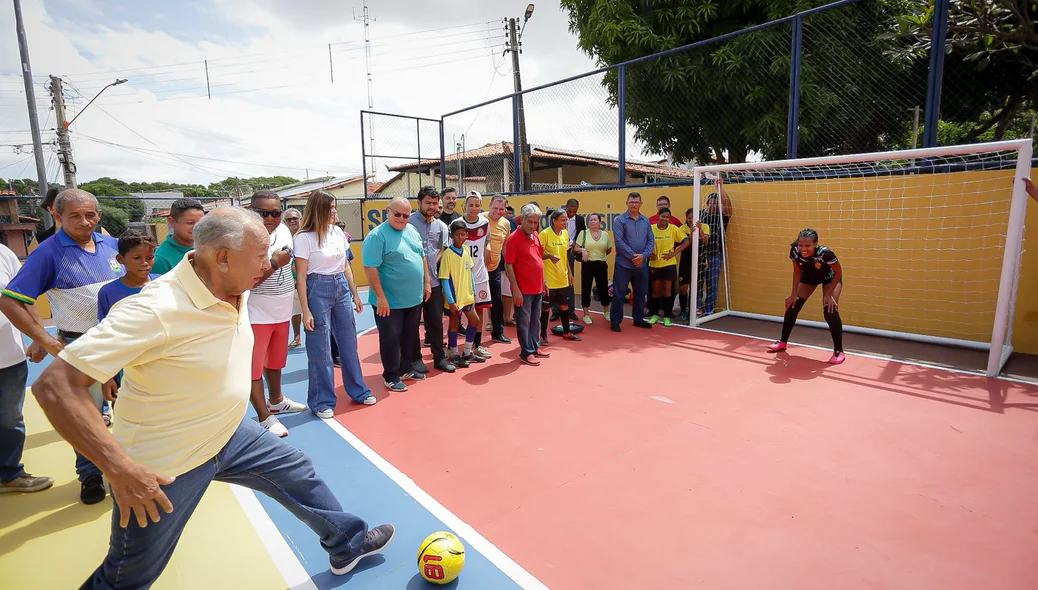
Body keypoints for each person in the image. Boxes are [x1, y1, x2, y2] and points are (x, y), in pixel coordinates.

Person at [31, 207, 395, 588]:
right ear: (222, 257)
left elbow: (263, 269)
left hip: (229, 431)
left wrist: (270, 263)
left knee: (298, 473)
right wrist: (121, 470)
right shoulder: (155, 308)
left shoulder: (231, 281)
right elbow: (54, 387)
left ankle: (347, 543)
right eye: (259, 255)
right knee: (130, 573)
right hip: (165, 463)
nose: (266, 263)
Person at [0, 188, 122, 504]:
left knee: (131, 410)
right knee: (88, 416)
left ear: (99, 216)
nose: (84, 221)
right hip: (83, 346)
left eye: (90, 215)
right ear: (57, 216)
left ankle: (130, 468)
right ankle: (91, 474)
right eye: (75, 216)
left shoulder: (112, 246)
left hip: (125, 342)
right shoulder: (49, 252)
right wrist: (45, 340)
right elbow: (11, 300)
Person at [296, 190, 374, 413]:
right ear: (318, 209)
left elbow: (346, 266)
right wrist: (305, 310)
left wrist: (355, 294)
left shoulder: (338, 233)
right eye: (330, 208)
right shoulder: (304, 238)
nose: (334, 211)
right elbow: (301, 276)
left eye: (334, 207)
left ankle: (359, 390)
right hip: (316, 289)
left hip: (340, 288)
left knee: (349, 344)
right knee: (320, 348)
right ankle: (322, 402)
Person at [247, 191, 308, 437]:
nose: (271, 218)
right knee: (252, 369)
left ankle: (276, 400)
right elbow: (245, 282)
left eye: (275, 212)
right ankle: (264, 416)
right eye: (264, 213)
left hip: (281, 309)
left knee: (275, 361)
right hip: (255, 313)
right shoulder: (245, 237)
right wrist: (273, 263)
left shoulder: (283, 230)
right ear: (251, 211)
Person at [0, 242, 53, 494]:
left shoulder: (3, 253)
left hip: (7, 355)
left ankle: (9, 474)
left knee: (10, 420)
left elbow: (25, 297)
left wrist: (40, 337)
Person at [362, 197, 430, 392]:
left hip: (413, 299)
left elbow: (421, 256)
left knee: (410, 336)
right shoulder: (377, 236)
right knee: (390, 339)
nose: (402, 218)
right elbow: (370, 268)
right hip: (389, 302)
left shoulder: (412, 230)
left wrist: (426, 282)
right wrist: (381, 297)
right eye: (397, 214)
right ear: (388, 211)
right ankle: (391, 375)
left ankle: (405, 368)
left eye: (406, 215)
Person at [96, 230, 160, 416]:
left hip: (161, 364)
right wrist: (106, 377)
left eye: (149, 257)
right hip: (127, 368)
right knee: (129, 415)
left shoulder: (164, 283)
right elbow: (106, 338)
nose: (145, 262)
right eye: (137, 258)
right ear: (120, 259)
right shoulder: (109, 292)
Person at [767, 228, 845, 364]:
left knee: (830, 310)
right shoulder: (795, 252)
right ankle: (782, 342)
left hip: (830, 279)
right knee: (792, 305)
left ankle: (839, 351)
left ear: (815, 244)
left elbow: (838, 272)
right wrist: (793, 294)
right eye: (800, 244)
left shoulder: (826, 253)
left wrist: (828, 294)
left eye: (807, 245)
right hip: (809, 279)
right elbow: (797, 272)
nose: (803, 248)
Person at [408, 186, 455, 373]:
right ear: (419, 203)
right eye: (428, 203)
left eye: (435, 203)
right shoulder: (408, 223)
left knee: (435, 322)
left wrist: (435, 262)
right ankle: (415, 359)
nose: (432, 207)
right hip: (412, 285)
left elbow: (443, 249)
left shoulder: (442, 227)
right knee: (412, 325)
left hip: (434, 284)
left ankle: (439, 358)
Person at [505, 204, 550, 366]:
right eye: (530, 222)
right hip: (523, 290)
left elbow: (538, 258)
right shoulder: (513, 239)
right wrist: (516, 290)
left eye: (536, 222)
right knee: (523, 321)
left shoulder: (535, 235)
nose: (533, 225)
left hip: (537, 287)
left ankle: (535, 346)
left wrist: (543, 281)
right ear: (522, 219)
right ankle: (526, 352)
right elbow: (508, 265)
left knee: (535, 320)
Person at [439, 219, 483, 368]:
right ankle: (453, 353)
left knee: (475, 321)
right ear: (452, 235)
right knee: (454, 324)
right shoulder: (447, 255)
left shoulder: (465, 251)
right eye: (457, 235)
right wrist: (451, 301)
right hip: (455, 299)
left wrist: (474, 291)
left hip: (467, 296)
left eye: (463, 234)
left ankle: (467, 351)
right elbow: (445, 279)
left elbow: (470, 272)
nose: (461, 237)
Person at [610, 192, 654, 332]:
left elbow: (651, 241)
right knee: (619, 293)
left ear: (641, 203)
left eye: (636, 202)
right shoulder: (620, 220)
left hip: (642, 264)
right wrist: (633, 257)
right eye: (631, 202)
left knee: (641, 293)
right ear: (627, 203)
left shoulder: (646, 221)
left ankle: (638, 319)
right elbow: (619, 242)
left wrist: (643, 256)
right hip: (624, 264)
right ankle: (615, 320)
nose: (634, 204)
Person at [460, 192, 493, 358]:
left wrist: (487, 249)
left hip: (480, 273)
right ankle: (452, 346)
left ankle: (477, 344)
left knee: (480, 310)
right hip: (462, 275)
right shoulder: (457, 223)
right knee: (457, 311)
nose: (474, 208)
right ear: (465, 205)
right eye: (470, 205)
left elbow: (487, 240)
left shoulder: (485, 223)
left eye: (477, 205)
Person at [540, 209, 580, 344]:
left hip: (563, 278)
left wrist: (570, 273)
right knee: (545, 308)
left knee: (564, 306)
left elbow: (566, 256)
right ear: (554, 221)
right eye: (563, 220)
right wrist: (549, 257)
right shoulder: (544, 234)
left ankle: (567, 332)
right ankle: (543, 335)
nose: (565, 222)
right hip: (549, 280)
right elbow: (537, 255)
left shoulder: (565, 234)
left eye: (566, 220)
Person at [647, 208, 691, 327]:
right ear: (658, 216)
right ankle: (655, 315)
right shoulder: (651, 229)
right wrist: (649, 253)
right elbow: (643, 242)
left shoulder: (673, 229)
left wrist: (674, 253)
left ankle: (667, 316)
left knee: (667, 291)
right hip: (654, 264)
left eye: (667, 217)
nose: (665, 219)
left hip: (669, 264)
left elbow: (686, 242)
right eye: (663, 216)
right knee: (655, 291)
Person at [699, 182, 733, 315]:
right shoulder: (700, 215)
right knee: (698, 282)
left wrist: (719, 187)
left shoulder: (722, 217)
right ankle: (697, 307)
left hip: (716, 254)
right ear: (707, 203)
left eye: (716, 203)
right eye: (711, 203)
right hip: (700, 254)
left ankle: (709, 309)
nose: (714, 205)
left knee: (712, 282)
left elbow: (728, 205)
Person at [572, 212, 612, 324]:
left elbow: (609, 249)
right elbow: (576, 248)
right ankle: (586, 314)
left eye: (594, 219)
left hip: (601, 265)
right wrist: (583, 250)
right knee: (586, 288)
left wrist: (599, 255)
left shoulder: (605, 235)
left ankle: (607, 312)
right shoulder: (583, 233)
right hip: (588, 265)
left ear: (600, 222)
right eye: (590, 220)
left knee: (603, 289)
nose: (592, 221)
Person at [483, 195, 512, 344]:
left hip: (495, 268)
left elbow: (505, 245)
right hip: (477, 269)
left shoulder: (506, 224)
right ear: (489, 206)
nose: (498, 211)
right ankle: (470, 336)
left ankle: (498, 332)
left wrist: (508, 265)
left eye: (501, 209)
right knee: (473, 303)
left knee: (497, 300)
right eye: (495, 208)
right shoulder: (480, 219)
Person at [152, 198, 205, 275]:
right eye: (190, 223)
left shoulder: (208, 246)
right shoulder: (161, 260)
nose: (197, 227)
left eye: (201, 223)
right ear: (172, 222)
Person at [677, 208, 709, 321]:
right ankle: (683, 311)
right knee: (683, 288)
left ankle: (692, 312)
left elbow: (705, 241)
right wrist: (691, 232)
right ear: (686, 218)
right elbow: (687, 242)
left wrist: (699, 230)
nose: (691, 220)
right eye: (689, 218)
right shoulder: (681, 228)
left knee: (695, 288)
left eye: (693, 218)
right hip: (686, 261)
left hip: (700, 261)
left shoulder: (705, 226)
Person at [283, 207, 304, 348]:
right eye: (288, 219)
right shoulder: (283, 238)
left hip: (307, 281)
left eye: (294, 218)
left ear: (300, 220)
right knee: (295, 312)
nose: (292, 221)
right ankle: (297, 337)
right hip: (290, 282)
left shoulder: (306, 235)